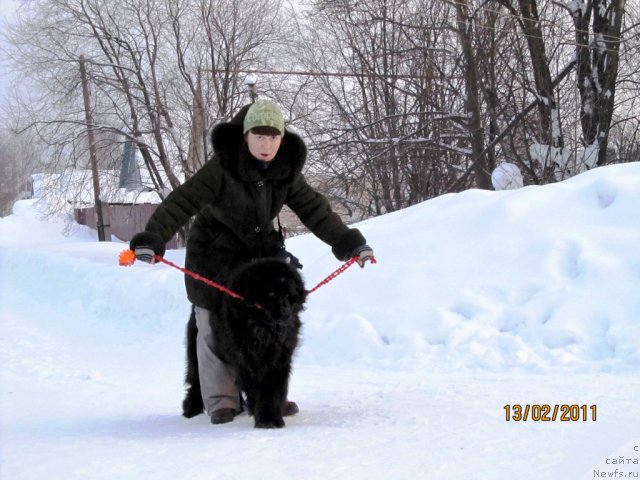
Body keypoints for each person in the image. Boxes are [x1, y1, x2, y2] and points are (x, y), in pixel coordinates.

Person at [129, 100, 374, 425]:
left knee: (274, 326)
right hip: (212, 257)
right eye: (259, 136)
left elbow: (316, 211)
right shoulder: (222, 168)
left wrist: (349, 244)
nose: (266, 144)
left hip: (257, 260)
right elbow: (181, 203)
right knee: (211, 323)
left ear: (281, 140)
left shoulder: (286, 171)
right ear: (245, 137)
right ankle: (221, 401)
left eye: (273, 137)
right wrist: (153, 238)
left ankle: (268, 398)